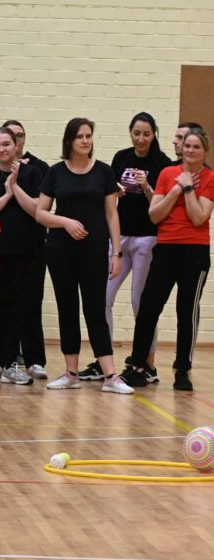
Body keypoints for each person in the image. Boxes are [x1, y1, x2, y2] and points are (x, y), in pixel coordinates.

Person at [35, 118, 132, 394]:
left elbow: (112, 214)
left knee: (95, 309)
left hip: (95, 250)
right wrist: (65, 222)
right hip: (60, 251)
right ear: (70, 140)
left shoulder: (104, 171)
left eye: (89, 135)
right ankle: (71, 373)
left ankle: (110, 376)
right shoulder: (55, 172)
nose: (85, 140)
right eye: (80, 136)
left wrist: (117, 253)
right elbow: (40, 213)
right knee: (67, 308)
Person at [81, 113, 172, 382]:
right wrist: (116, 191)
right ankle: (103, 360)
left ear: (154, 134)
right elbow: (107, 195)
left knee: (140, 302)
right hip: (120, 236)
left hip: (148, 238)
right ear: (130, 133)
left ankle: (146, 363)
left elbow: (161, 205)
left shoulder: (162, 163)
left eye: (146, 134)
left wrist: (146, 187)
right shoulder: (121, 157)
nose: (141, 139)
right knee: (103, 298)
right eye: (136, 133)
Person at [122, 128, 214, 390]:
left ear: (205, 151)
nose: (190, 150)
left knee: (187, 311)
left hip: (195, 252)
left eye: (196, 147)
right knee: (149, 306)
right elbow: (155, 215)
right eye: (187, 146)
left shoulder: (210, 178)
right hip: (165, 248)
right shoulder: (166, 173)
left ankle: (182, 370)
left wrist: (188, 188)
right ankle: (138, 366)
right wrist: (176, 189)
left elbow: (198, 217)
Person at [0, 126, 44, 385]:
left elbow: (37, 210)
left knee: (21, 306)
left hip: (27, 249)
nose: (1, 149)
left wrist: (15, 186)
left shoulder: (32, 173)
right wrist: (7, 193)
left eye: (6, 144)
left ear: (16, 144)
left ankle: (14, 362)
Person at [0, 120, 50, 378]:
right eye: (10, 137)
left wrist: (14, 186)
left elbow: (39, 210)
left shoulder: (38, 170)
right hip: (1, 248)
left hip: (33, 247)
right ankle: (0, 359)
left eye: (19, 136)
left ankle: (34, 359)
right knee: (2, 304)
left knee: (30, 303)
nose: (14, 142)